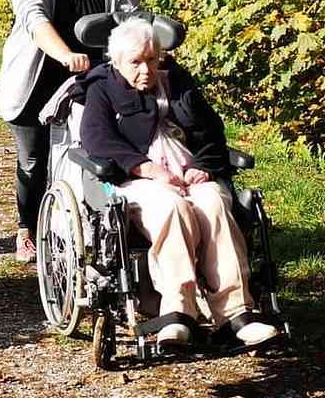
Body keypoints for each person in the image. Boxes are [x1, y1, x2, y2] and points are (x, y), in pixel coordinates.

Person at [79, 18, 281, 348]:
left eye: (152, 59)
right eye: (135, 62)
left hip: (190, 175)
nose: (146, 69)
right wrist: (146, 168)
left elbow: (212, 131)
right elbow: (97, 139)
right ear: (116, 62)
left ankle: (237, 314)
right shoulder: (102, 88)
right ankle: (179, 313)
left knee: (214, 203)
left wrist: (201, 166)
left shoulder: (178, 83)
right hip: (139, 181)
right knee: (172, 207)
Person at [0, 0, 139, 263]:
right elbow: (33, 15)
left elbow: (131, 22)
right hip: (37, 78)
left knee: (92, 151)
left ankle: (90, 226)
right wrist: (65, 54)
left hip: (92, 82)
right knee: (33, 159)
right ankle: (26, 228)